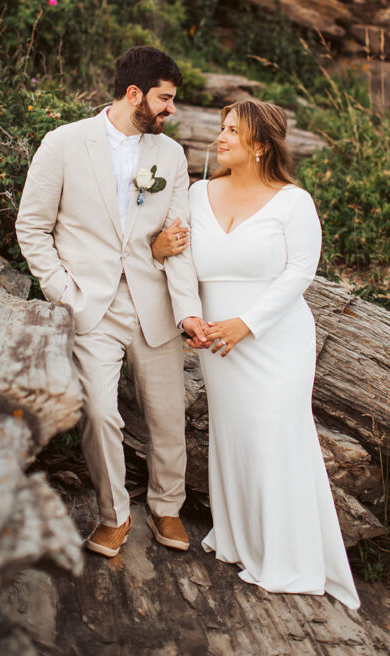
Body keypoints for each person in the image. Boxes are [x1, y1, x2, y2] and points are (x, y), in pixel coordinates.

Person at [152, 98, 360, 607]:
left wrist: (247, 323)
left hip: (275, 340)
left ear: (261, 146)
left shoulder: (294, 202)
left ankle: (290, 558)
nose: (219, 138)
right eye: (221, 128)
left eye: (232, 132)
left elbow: (299, 272)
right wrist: (161, 254)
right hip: (214, 343)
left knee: (276, 435)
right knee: (235, 437)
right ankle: (242, 541)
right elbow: (174, 255)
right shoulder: (198, 194)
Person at [16, 46, 209, 558]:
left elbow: (178, 237)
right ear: (133, 95)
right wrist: (62, 290)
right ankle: (114, 516)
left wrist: (188, 308)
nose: (172, 110)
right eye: (164, 100)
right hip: (90, 306)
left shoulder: (169, 155)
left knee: (168, 414)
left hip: (156, 303)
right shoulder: (62, 144)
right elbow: (31, 227)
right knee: (99, 412)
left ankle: (168, 506)